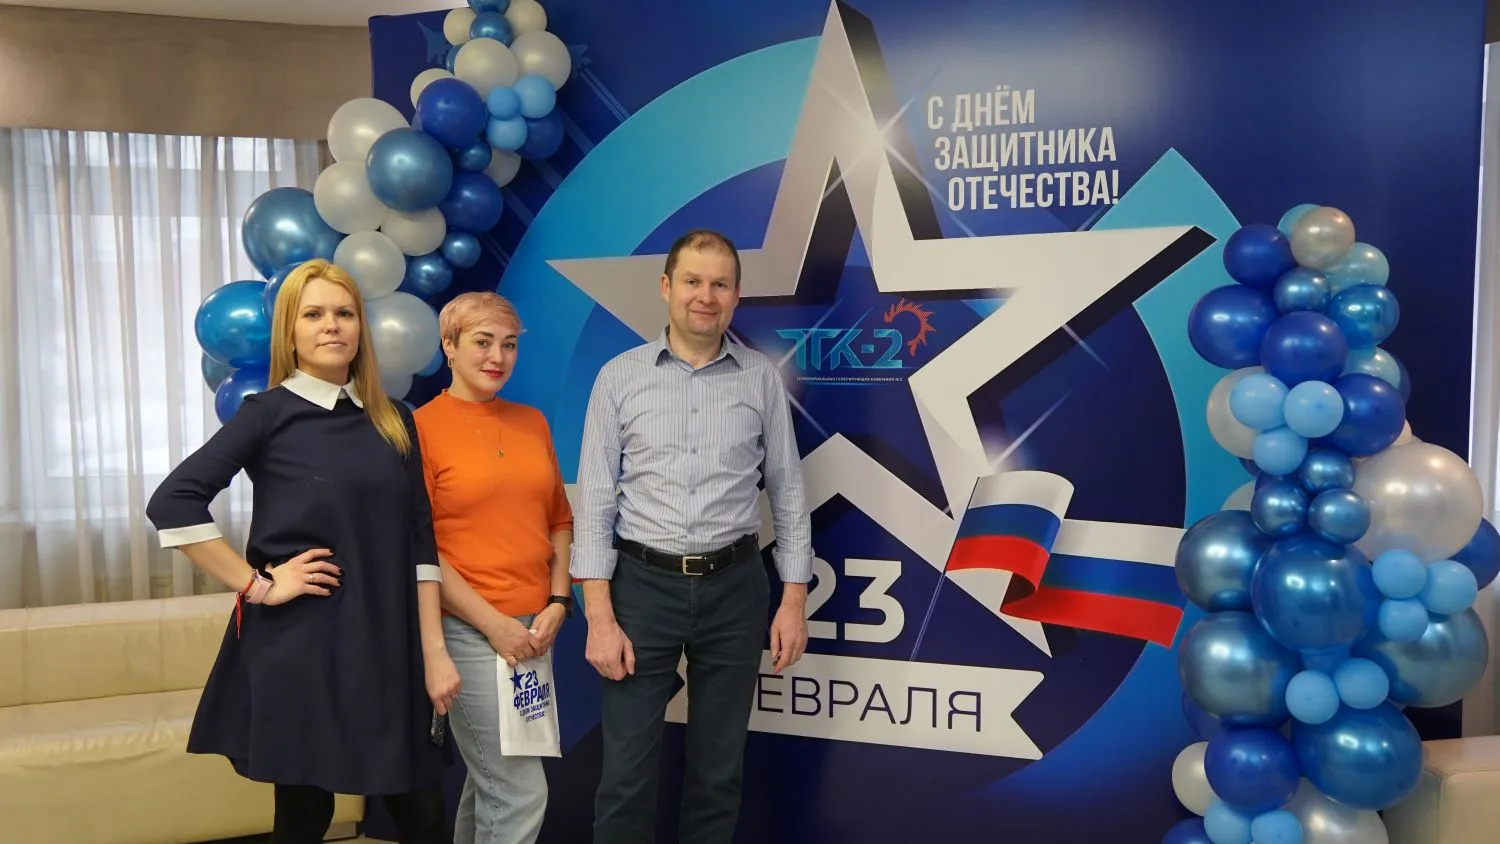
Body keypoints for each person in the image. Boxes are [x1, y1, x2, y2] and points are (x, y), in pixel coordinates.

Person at [145, 259, 461, 844]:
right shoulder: (267, 413)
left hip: (388, 641)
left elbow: (421, 542)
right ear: (290, 331)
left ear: (361, 327)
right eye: (313, 314)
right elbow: (173, 502)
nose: (331, 325)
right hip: (303, 642)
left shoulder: (396, 420)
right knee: (303, 815)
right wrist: (258, 585)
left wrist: (434, 652)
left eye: (344, 313)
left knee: (422, 811)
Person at [571, 229, 813, 844]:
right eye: (693, 281)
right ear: (666, 287)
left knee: (717, 770)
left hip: (736, 588)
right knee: (625, 776)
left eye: (720, 284)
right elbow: (595, 498)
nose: (706, 296)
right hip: (640, 590)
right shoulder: (619, 377)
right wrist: (598, 614)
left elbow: (788, 492)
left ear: (736, 296)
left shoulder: (761, 378)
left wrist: (793, 601)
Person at [413, 292, 575, 844]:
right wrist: (493, 624)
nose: (497, 357)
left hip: (533, 630)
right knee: (518, 792)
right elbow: (420, 549)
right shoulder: (419, 429)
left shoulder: (532, 422)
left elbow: (559, 520)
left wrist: (558, 601)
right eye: (482, 342)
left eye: (508, 345)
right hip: (468, 630)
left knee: (489, 785)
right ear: (449, 345)